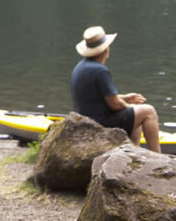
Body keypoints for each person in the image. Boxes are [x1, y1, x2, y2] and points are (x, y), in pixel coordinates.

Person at [69, 25, 161, 153]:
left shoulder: (81, 66)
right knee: (148, 111)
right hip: (98, 123)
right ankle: (158, 156)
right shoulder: (100, 71)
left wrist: (126, 98)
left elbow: (97, 97)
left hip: (86, 119)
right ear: (105, 49)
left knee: (136, 114)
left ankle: (133, 153)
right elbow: (115, 105)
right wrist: (128, 106)